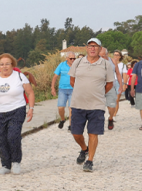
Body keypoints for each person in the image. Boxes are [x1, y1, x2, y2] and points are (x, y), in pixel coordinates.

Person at [68, 38, 114, 172]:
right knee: (76, 133)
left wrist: (98, 93)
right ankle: (84, 149)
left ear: (100, 49)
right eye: (90, 46)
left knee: (93, 133)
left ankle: (90, 160)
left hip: (97, 105)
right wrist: (82, 91)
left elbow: (109, 84)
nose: (92, 48)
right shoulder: (78, 62)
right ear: (87, 48)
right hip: (78, 103)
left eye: (95, 46)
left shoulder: (105, 65)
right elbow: (72, 81)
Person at [100, 47, 122, 130]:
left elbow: (118, 73)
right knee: (99, 107)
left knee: (112, 106)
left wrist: (121, 85)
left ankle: (111, 118)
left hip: (110, 86)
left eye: (103, 55)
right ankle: (99, 123)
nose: (102, 57)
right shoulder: (96, 61)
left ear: (107, 54)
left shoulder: (113, 61)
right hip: (99, 87)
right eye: (100, 56)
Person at [52, 52, 75, 129]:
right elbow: (55, 77)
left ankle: (71, 125)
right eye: (71, 58)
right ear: (67, 58)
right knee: (60, 107)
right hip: (62, 89)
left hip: (73, 89)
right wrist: (53, 88)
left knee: (71, 108)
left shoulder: (77, 66)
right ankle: (62, 119)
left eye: (74, 58)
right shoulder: (61, 65)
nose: (73, 60)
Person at [111, 51, 128, 119]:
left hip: (119, 82)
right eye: (115, 55)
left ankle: (114, 115)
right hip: (111, 82)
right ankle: (111, 113)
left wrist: (124, 84)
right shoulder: (110, 64)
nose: (116, 56)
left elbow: (124, 75)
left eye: (117, 55)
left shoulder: (123, 65)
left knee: (116, 100)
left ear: (120, 56)